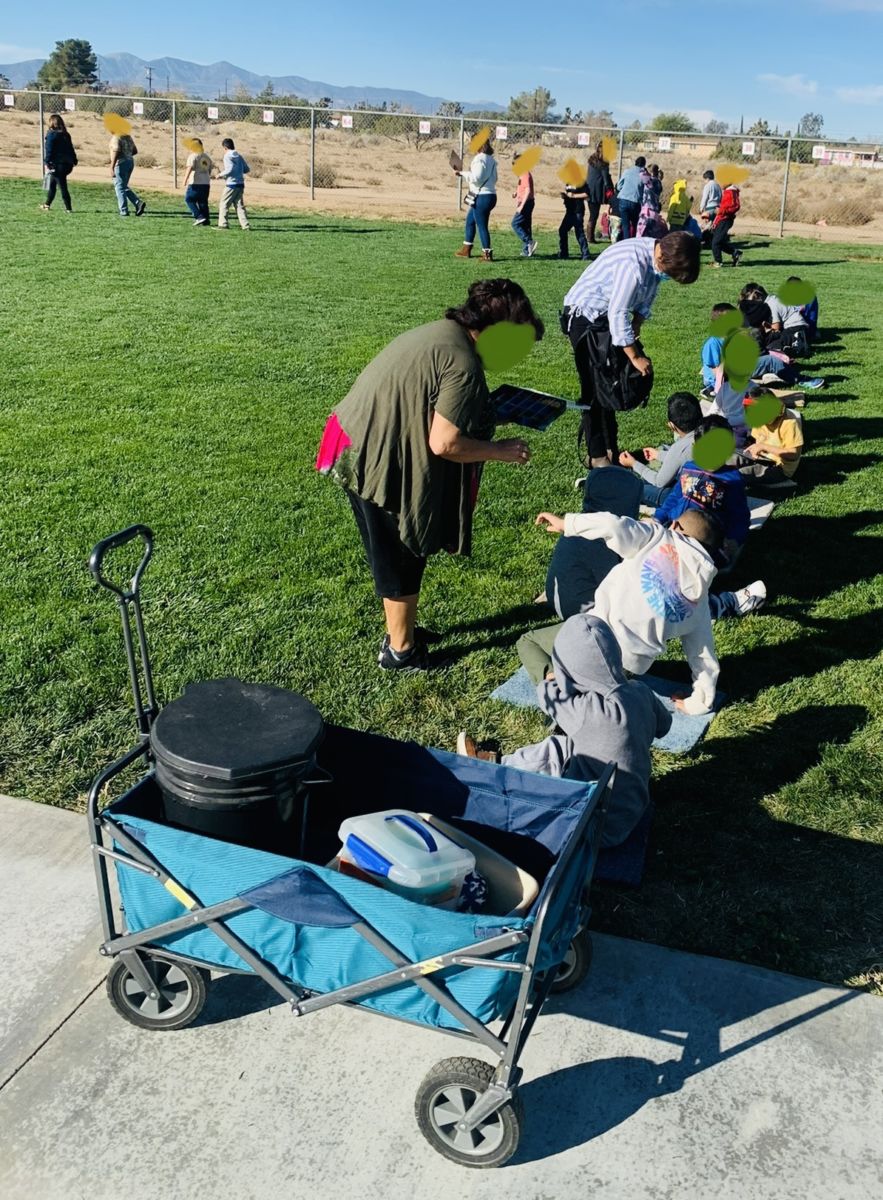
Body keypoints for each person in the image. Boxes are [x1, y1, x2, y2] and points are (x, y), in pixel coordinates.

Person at [316, 279, 544, 670]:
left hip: (351, 441)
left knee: (387, 550)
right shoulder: (464, 364)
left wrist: (491, 411)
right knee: (403, 552)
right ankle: (401, 651)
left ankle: (399, 632)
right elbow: (445, 443)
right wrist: (500, 450)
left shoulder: (443, 332)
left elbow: (433, 400)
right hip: (376, 458)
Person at [460, 615, 672, 848]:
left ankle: (491, 775)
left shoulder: (584, 711)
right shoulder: (640, 692)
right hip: (632, 810)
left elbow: (546, 694)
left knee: (554, 749)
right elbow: (664, 725)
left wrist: (553, 678)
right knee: (566, 746)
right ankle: (497, 763)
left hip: (588, 824)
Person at [520, 508, 766, 698]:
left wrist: (567, 524)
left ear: (676, 526)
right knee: (599, 680)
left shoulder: (657, 536)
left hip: (593, 635)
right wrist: (697, 702)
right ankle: (592, 689)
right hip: (629, 667)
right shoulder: (700, 602)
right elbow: (703, 658)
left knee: (528, 641)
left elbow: (612, 524)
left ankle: (554, 683)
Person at [561, 231, 701, 462]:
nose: (667, 278)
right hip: (585, 317)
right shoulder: (633, 266)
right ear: (662, 259)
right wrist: (634, 356)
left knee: (609, 384)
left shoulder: (655, 255)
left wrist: (638, 321)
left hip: (604, 319)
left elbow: (648, 294)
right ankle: (596, 455)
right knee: (594, 389)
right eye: (670, 274)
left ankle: (610, 450)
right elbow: (617, 314)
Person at [545, 459, 643, 619]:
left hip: (561, 598)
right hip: (584, 612)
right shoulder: (602, 540)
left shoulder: (580, 524)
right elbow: (614, 583)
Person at [654, 416, 751, 567]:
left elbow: (740, 516)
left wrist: (734, 539)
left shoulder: (731, 480)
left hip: (704, 539)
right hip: (675, 527)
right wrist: (658, 518)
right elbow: (674, 497)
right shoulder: (688, 467)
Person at [619, 391, 703, 507]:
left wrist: (633, 464)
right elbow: (682, 459)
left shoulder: (680, 448)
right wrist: (658, 455)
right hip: (707, 488)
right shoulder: (708, 430)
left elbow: (659, 482)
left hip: (686, 499)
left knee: (634, 488)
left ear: (672, 425)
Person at [736, 391, 804, 487]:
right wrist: (755, 450)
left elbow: (793, 455)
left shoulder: (790, 423)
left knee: (739, 475)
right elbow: (758, 440)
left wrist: (763, 446)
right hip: (762, 458)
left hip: (779, 467)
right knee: (728, 461)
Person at [454, 138, 498, 261]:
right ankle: (466, 249)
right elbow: (495, 178)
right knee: (470, 221)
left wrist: (463, 174)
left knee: (482, 226)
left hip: (482, 197)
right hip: (490, 195)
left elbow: (477, 178)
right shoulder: (491, 160)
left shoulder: (479, 159)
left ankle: (487, 254)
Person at [40, 114, 77, 213]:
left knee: (62, 185)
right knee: (53, 183)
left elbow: (49, 150)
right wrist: (74, 159)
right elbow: (71, 148)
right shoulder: (66, 134)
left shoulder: (51, 134)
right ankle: (47, 204)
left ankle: (68, 208)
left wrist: (47, 162)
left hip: (57, 164)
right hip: (67, 164)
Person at [766, 279, 812, 357]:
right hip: (795, 327)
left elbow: (776, 327)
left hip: (796, 327)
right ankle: (793, 344)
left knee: (771, 346)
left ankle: (797, 344)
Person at [109, 128, 145, 218]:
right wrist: (127, 155)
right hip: (129, 162)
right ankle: (138, 203)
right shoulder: (127, 136)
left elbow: (116, 150)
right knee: (123, 186)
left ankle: (124, 211)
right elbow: (135, 150)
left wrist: (112, 166)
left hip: (120, 163)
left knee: (119, 187)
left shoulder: (116, 137)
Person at [217, 138, 250, 231]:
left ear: (225, 147)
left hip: (231, 184)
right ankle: (245, 225)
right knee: (239, 206)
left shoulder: (227, 156)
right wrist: (238, 170)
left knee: (224, 204)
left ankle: (223, 224)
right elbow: (247, 169)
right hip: (240, 184)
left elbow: (229, 169)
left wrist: (220, 175)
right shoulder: (239, 156)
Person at [586, 143, 614, 244]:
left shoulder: (592, 159)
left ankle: (590, 236)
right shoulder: (604, 162)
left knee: (592, 214)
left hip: (589, 189)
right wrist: (610, 189)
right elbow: (606, 179)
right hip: (597, 191)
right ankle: (590, 238)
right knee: (594, 214)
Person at [614, 156, 648, 240]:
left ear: (635, 162)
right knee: (635, 223)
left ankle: (626, 242)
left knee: (625, 225)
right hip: (635, 201)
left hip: (623, 200)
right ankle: (634, 241)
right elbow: (647, 189)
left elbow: (619, 186)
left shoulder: (627, 171)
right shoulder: (644, 175)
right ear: (644, 165)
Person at [510, 153, 537, 257]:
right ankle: (527, 250)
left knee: (515, 223)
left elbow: (528, 190)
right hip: (527, 202)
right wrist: (516, 193)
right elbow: (523, 187)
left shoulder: (525, 174)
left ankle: (529, 241)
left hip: (526, 203)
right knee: (526, 226)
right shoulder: (522, 174)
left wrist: (521, 206)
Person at [182, 138, 213, 227]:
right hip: (206, 183)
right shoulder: (206, 157)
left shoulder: (193, 156)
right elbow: (209, 170)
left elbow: (189, 168)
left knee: (189, 199)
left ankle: (199, 216)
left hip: (195, 183)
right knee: (203, 202)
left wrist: (185, 180)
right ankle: (206, 219)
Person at [558, 178, 591, 260]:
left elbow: (587, 194)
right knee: (562, 230)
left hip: (578, 211)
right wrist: (565, 196)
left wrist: (574, 196)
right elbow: (569, 193)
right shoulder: (568, 181)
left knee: (579, 232)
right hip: (569, 211)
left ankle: (586, 254)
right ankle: (564, 253)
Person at [711, 183, 743, 267]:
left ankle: (718, 262)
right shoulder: (727, 191)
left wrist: (721, 211)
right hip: (722, 219)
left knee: (715, 243)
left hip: (725, 220)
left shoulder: (731, 192)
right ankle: (735, 252)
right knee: (719, 242)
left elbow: (736, 206)